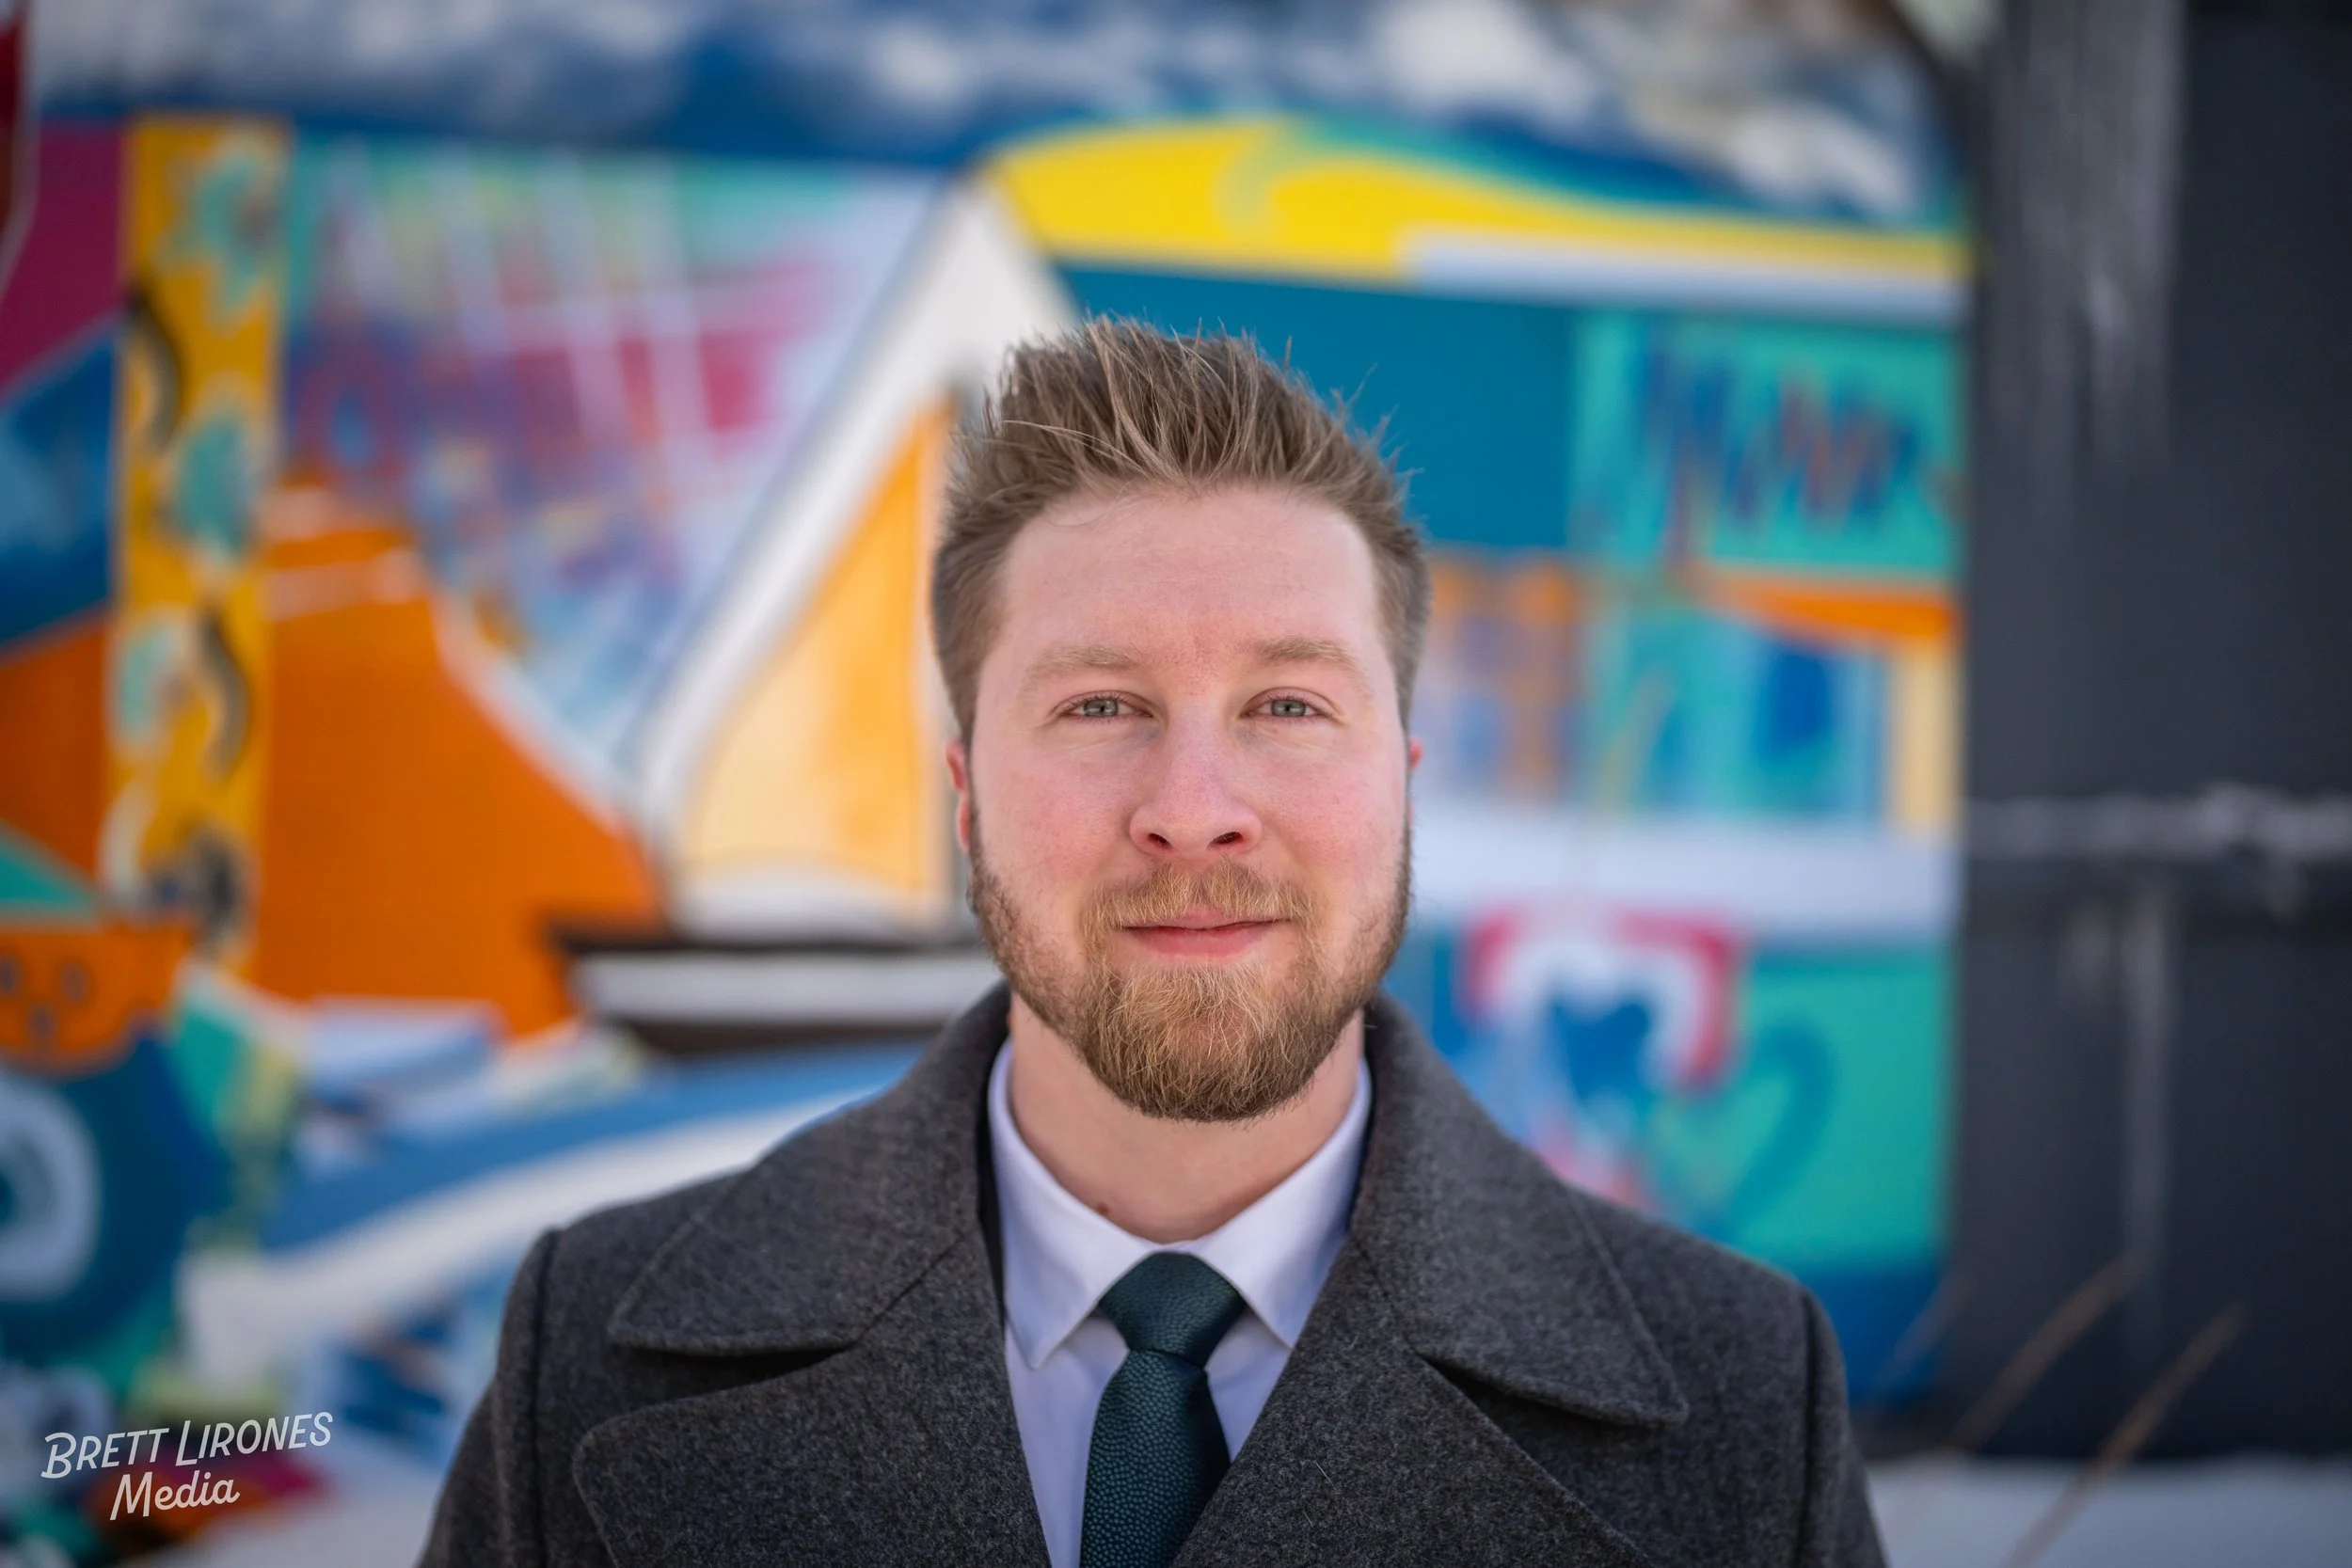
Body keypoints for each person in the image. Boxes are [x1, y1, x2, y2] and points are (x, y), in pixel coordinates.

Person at [420, 320, 1887, 1568]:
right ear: (966, 794)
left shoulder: (1750, 1400)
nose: (1195, 814)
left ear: (1405, 773)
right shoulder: (587, 1354)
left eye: (1290, 705)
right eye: (1101, 705)